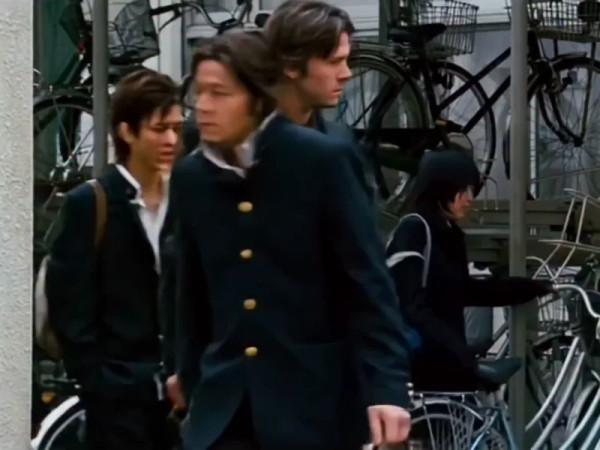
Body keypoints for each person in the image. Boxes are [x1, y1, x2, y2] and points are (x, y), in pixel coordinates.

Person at [167, 31, 412, 450]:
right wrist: (183, 372)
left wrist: (388, 389)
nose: (203, 106)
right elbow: (186, 291)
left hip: (312, 406)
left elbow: (368, 284)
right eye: (199, 93)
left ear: (259, 97)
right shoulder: (192, 176)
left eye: (219, 93)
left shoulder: (321, 160)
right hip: (222, 409)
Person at [46, 69, 183, 449]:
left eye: (177, 128)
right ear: (127, 132)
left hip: (182, 397)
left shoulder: (186, 199)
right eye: (159, 129)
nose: (172, 140)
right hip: (118, 403)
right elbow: (69, 307)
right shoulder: (92, 203)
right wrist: (100, 382)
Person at [385, 149, 552, 391]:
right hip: (414, 361)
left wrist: (526, 288)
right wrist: (459, 352)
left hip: (445, 360)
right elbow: (409, 305)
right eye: (464, 190)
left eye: (473, 190)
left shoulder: (450, 233)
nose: (470, 199)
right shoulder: (413, 229)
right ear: (441, 188)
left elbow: (463, 291)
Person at [263, 0, 377, 199]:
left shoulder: (340, 143)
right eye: (334, 62)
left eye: (346, 61)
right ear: (291, 65)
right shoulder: (244, 147)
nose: (347, 74)